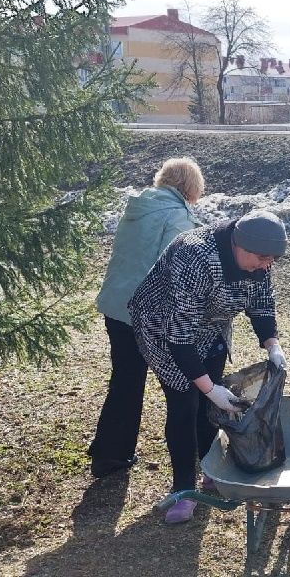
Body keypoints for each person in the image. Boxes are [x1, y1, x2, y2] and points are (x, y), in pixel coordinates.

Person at [128, 210, 288, 524]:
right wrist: (211, 390)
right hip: (164, 328)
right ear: (238, 245)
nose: (265, 265)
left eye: (271, 260)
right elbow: (179, 338)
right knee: (185, 402)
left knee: (210, 405)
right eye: (261, 258)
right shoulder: (194, 256)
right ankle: (184, 489)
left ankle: (210, 470)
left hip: (211, 326)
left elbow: (261, 303)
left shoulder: (258, 255)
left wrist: (273, 345)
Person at [88, 157, 205, 478]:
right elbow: (181, 268)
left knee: (125, 380)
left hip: (115, 306)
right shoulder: (176, 216)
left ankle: (109, 453)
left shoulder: (138, 208)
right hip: (144, 313)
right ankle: (194, 452)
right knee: (184, 381)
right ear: (190, 187)